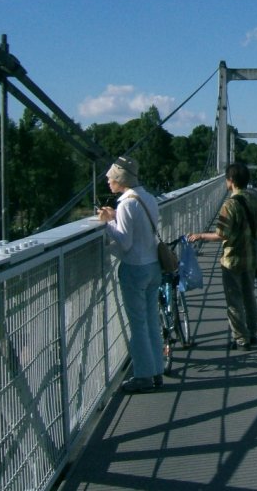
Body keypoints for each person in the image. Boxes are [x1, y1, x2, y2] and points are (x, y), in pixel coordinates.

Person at [98, 156, 164, 393]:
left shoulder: (126, 203)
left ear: (120, 179)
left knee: (138, 324)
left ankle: (144, 376)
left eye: (110, 178)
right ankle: (157, 370)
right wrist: (116, 220)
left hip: (135, 269)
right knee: (151, 321)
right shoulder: (148, 198)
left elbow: (125, 243)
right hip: (153, 265)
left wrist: (107, 224)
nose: (108, 181)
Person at [188, 163, 257, 350]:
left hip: (232, 259)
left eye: (226, 179)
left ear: (230, 181)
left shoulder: (229, 205)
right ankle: (253, 333)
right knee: (250, 297)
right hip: (251, 257)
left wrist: (200, 236)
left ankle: (241, 339)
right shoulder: (256, 200)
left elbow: (222, 234)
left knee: (234, 301)